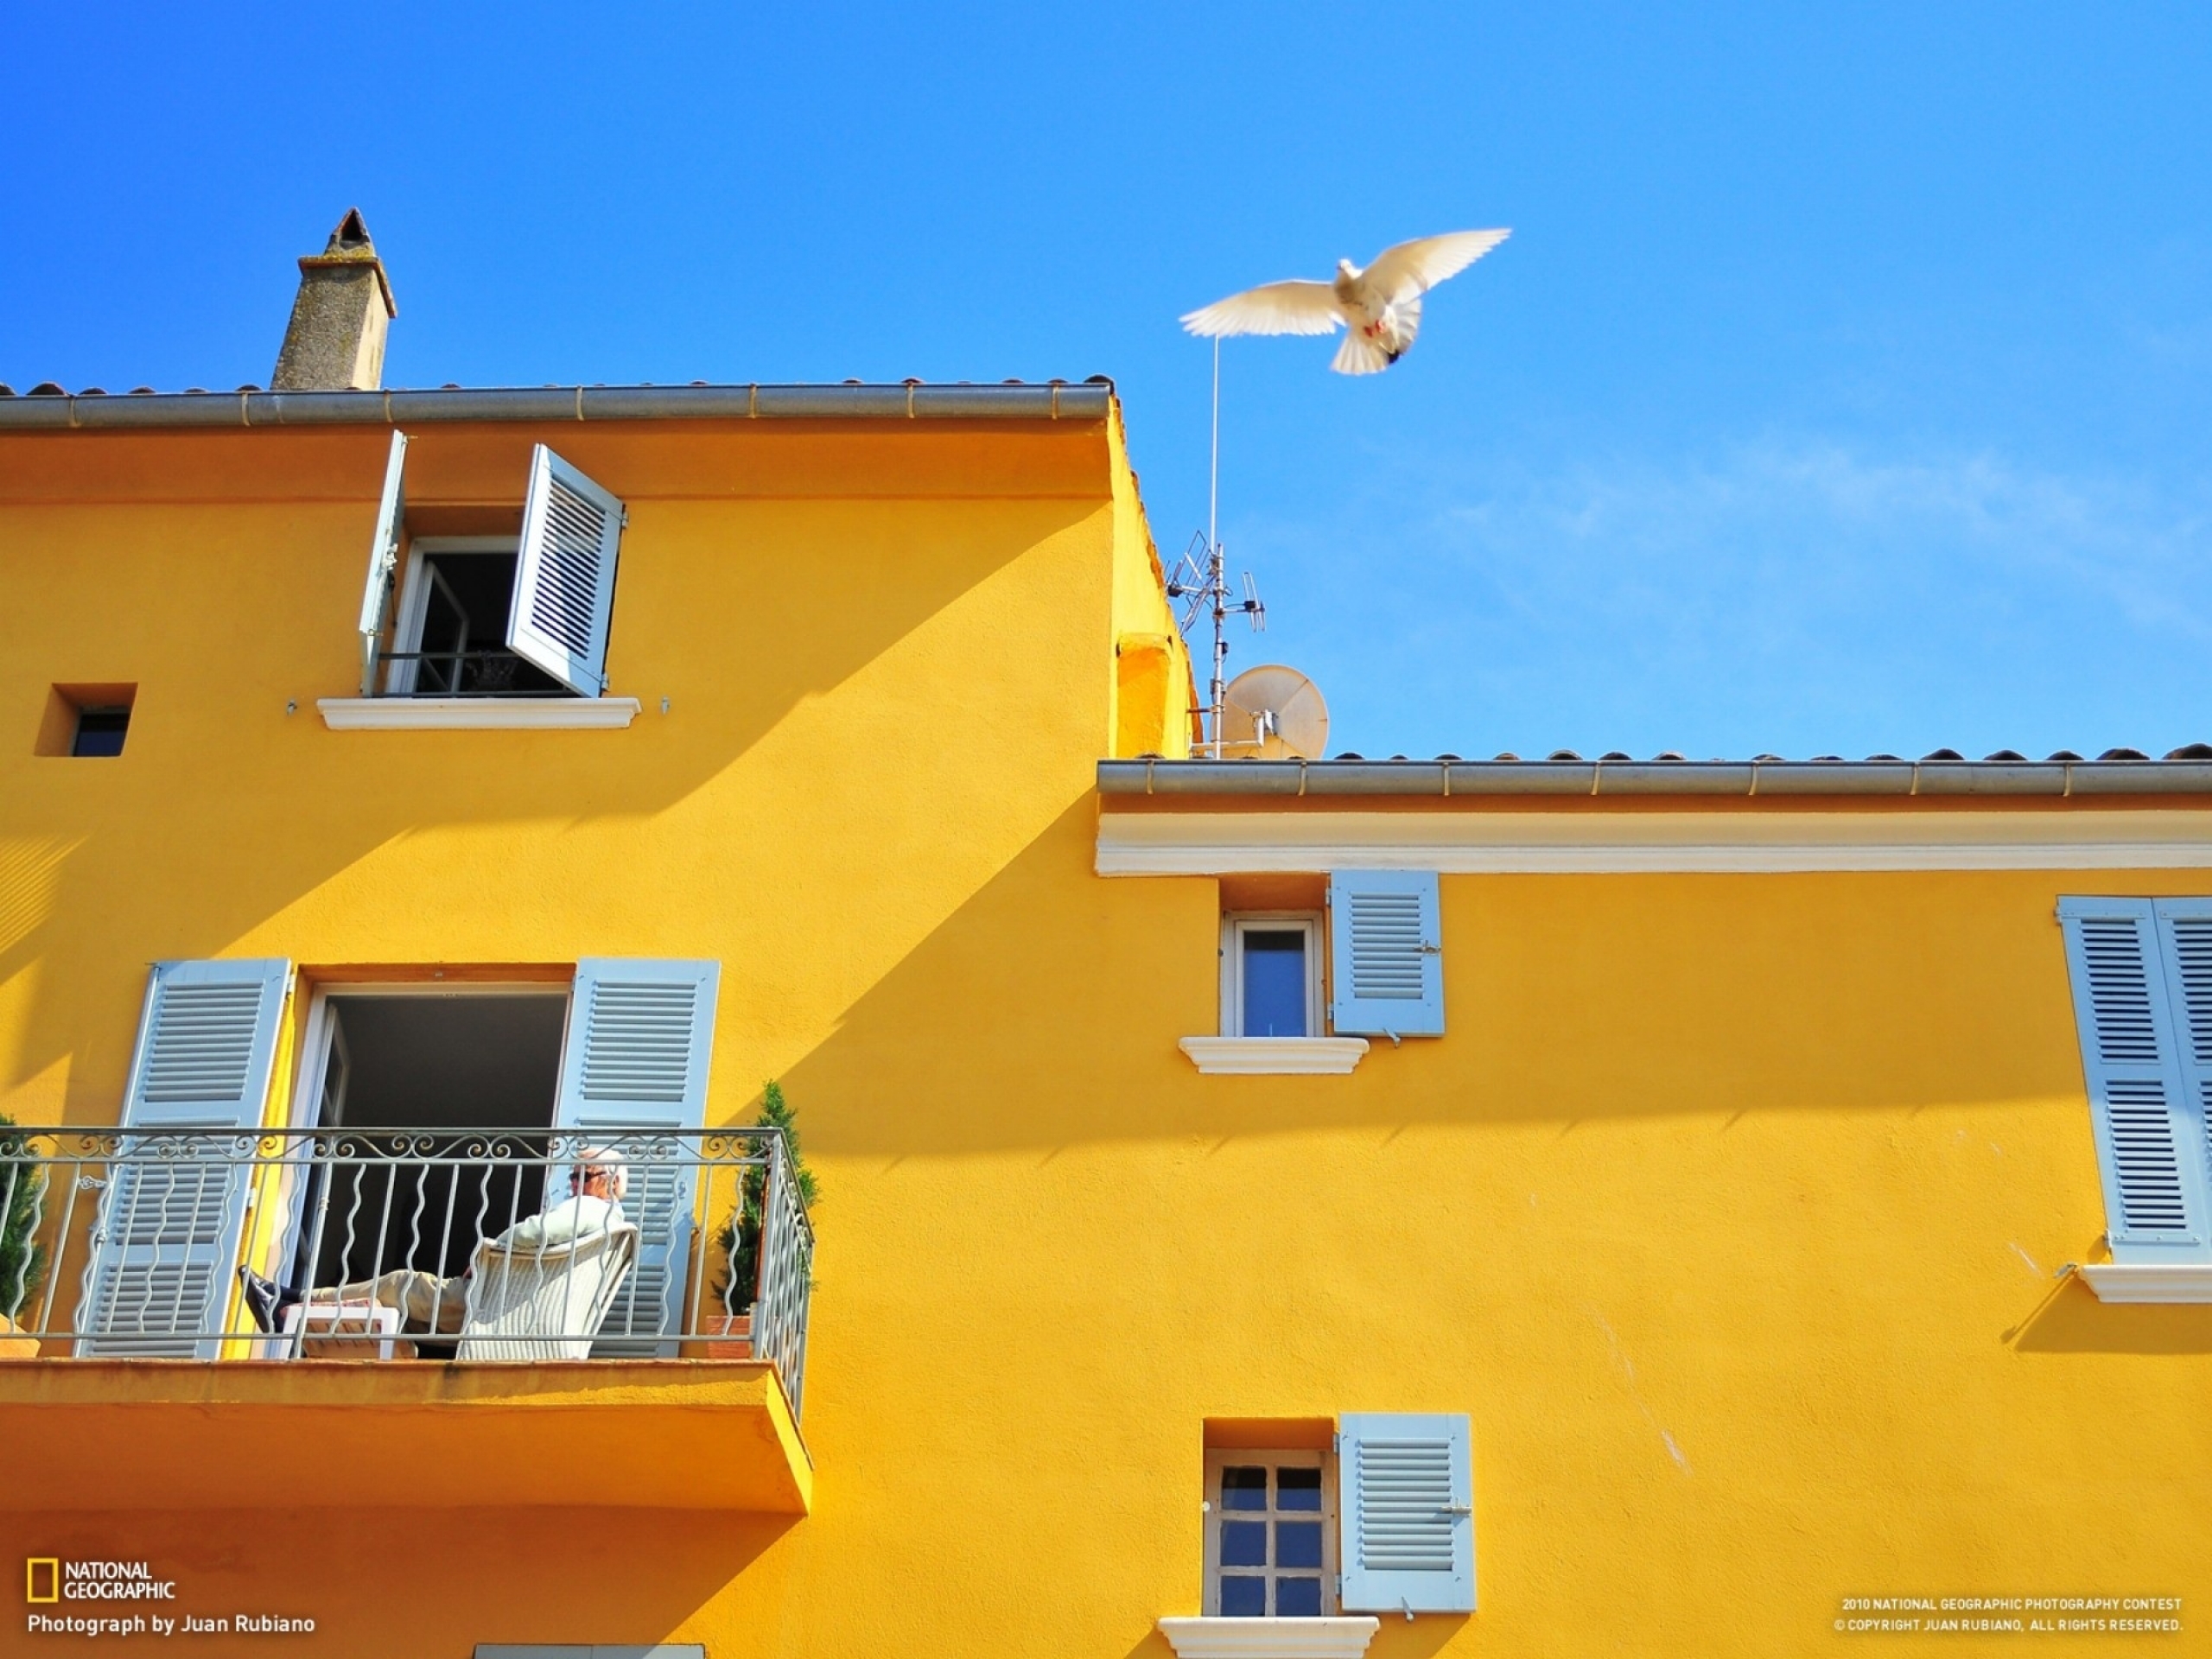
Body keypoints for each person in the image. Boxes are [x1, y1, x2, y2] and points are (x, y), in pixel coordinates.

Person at [240, 1149, 629, 1339]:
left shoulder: (591, 1209)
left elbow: (535, 1232)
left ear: (610, 1183)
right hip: (512, 1306)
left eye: (584, 1175)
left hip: (492, 1300)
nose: (576, 1185)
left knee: (400, 1284)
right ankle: (293, 1304)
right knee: (394, 1304)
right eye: (574, 1177)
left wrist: (486, 1251)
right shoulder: (609, 1224)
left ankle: (288, 1305)